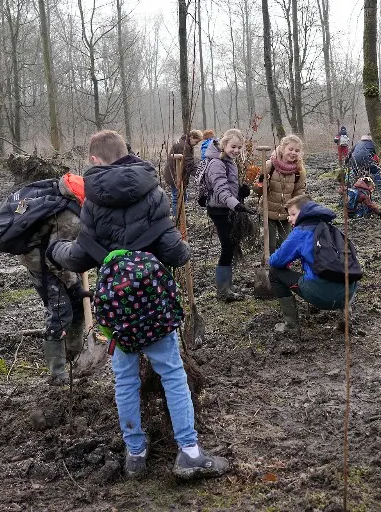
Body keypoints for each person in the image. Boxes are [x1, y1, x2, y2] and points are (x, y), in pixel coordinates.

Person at [46, 129, 229, 480]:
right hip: (152, 301)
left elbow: (79, 258)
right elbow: (176, 253)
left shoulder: (93, 202)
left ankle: (135, 452)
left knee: (125, 379)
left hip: (118, 306)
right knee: (172, 372)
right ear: (126, 152)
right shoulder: (154, 191)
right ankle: (189, 451)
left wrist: (54, 248)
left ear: (95, 160)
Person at [15, 173, 88, 385]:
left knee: (77, 303)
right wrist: (73, 283)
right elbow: (53, 259)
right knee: (60, 310)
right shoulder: (70, 217)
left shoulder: (75, 203)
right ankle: (57, 372)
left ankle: (74, 354)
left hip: (51, 255)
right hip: (39, 261)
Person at [268, 195, 358, 333]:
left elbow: (276, 261)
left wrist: (287, 259)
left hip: (321, 295)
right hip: (348, 294)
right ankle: (346, 314)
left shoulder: (300, 232)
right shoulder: (332, 229)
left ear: (305, 212)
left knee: (274, 272)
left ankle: (291, 325)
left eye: (293, 214)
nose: (289, 218)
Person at [203, 128, 252, 301]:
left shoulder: (228, 160)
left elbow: (229, 186)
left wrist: (240, 192)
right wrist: (236, 205)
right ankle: (223, 290)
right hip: (219, 210)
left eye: (239, 147)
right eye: (233, 146)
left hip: (226, 208)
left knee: (231, 245)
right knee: (227, 246)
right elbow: (221, 190)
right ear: (224, 144)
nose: (236, 150)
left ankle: (228, 284)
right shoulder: (217, 162)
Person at [253, 134, 306, 255]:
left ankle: (282, 265)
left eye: (297, 150)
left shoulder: (299, 171)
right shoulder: (269, 165)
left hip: (286, 214)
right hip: (269, 212)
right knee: (269, 244)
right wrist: (261, 182)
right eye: (290, 149)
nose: (293, 153)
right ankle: (269, 263)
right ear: (282, 149)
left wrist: (295, 211)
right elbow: (257, 191)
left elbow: (299, 192)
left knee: (285, 243)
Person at [163, 130, 203, 216]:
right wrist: (200, 175)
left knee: (183, 196)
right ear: (192, 137)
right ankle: (177, 218)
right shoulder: (183, 146)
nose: (197, 144)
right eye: (196, 141)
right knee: (177, 198)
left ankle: (180, 215)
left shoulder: (185, 143)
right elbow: (189, 164)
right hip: (174, 174)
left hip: (176, 173)